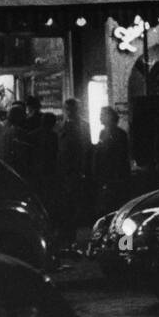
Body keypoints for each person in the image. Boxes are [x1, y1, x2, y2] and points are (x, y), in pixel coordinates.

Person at [55, 99, 92, 242]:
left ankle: (71, 235)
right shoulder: (63, 126)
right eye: (68, 109)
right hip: (65, 171)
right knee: (68, 204)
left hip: (74, 171)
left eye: (71, 109)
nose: (69, 112)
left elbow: (85, 148)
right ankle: (69, 235)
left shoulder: (81, 126)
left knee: (73, 204)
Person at [92, 107, 131, 214]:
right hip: (106, 176)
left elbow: (120, 156)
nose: (100, 117)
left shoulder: (119, 134)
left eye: (102, 115)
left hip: (114, 176)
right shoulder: (103, 133)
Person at [0, 104, 30, 175]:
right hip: (10, 170)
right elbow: (21, 156)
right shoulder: (17, 131)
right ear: (19, 118)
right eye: (24, 116)